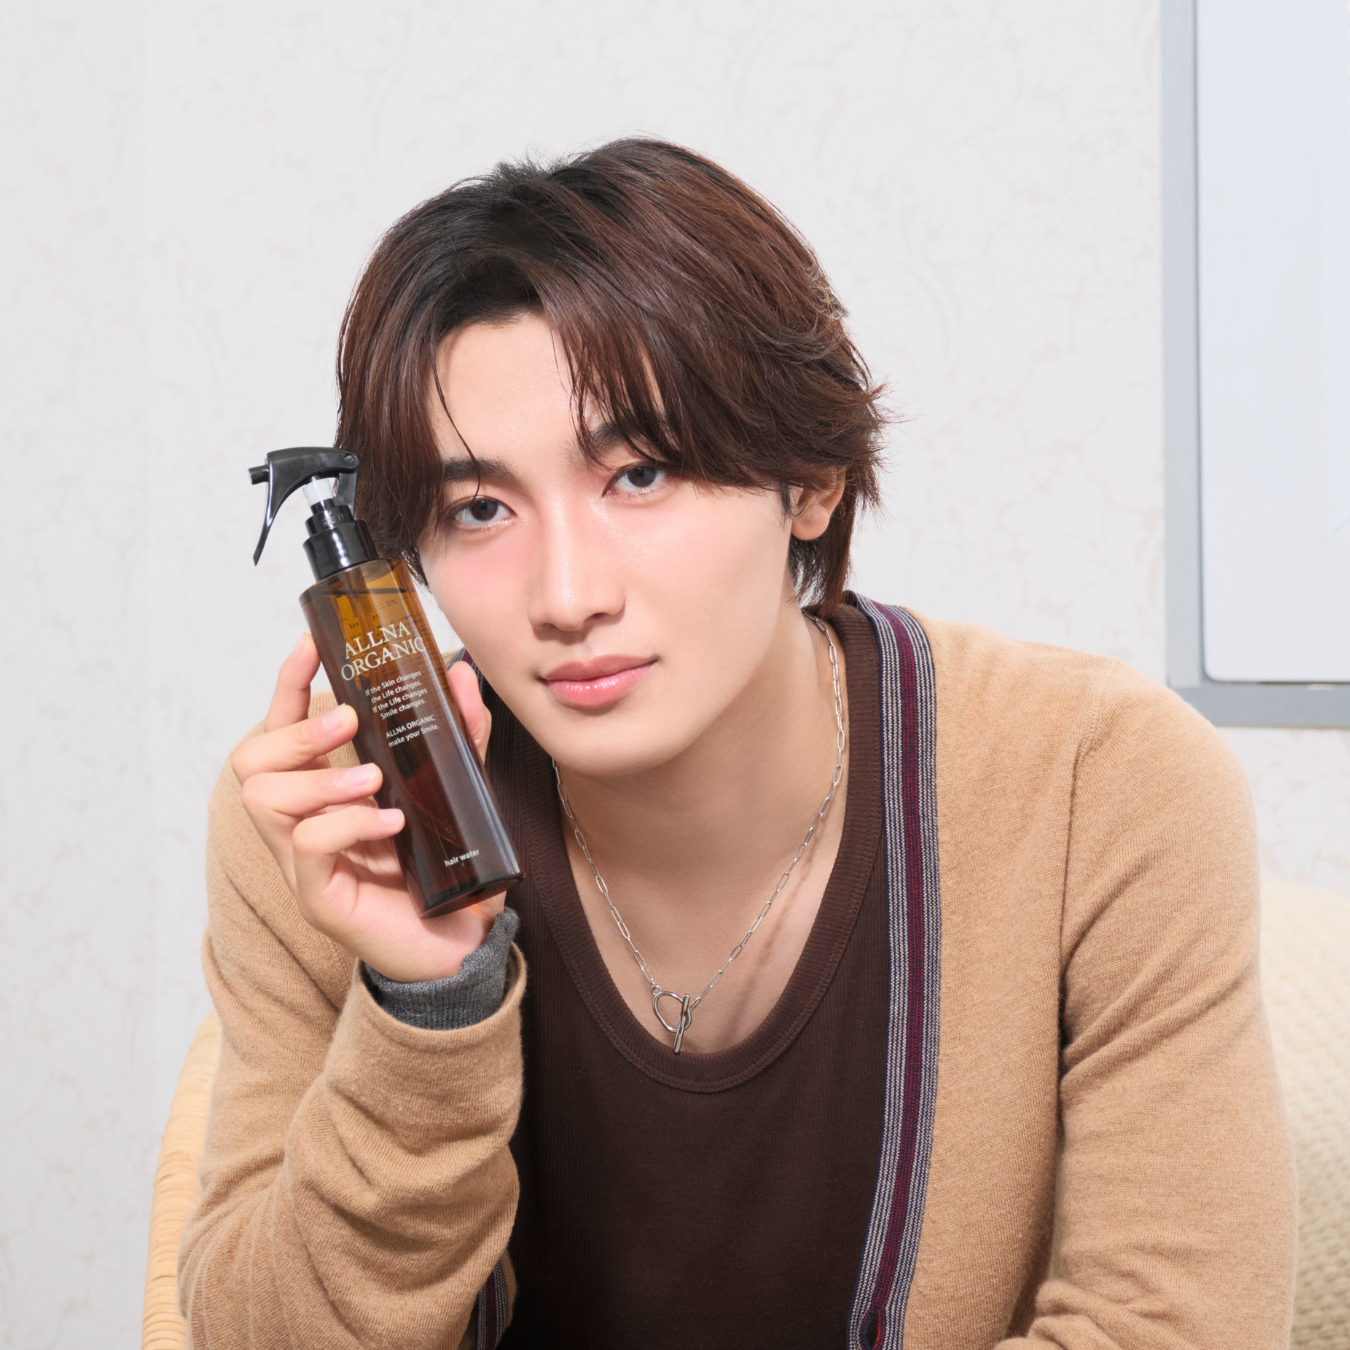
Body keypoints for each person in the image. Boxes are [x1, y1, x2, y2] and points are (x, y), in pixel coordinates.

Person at [179, 139, 1297, 1350]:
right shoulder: (333, 825)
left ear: (809, 481)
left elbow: (1174, 1327)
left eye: (641, 475)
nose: (568, 595)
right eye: (481, 508)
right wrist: (429, 1004)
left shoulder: (1101, 785)